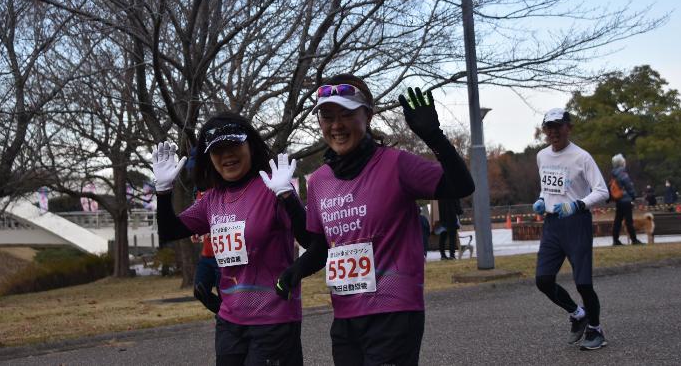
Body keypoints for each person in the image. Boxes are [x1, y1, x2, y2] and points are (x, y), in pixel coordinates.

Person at [274, 74, 475, 365]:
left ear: (367, 115)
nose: (336, 125)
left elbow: (461, 186)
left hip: (394, 311)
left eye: (347, 114)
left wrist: (435, 137)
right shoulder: (319, 180)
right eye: (327, 117)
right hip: (345, 317)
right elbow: (321, 247)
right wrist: (297, 270)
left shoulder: (396, 163)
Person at [152, 112, 310, 366]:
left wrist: (287, 197)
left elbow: (309, 239)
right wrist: (162, 192)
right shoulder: (212, 199)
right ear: (209, 158)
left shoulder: (273, 186)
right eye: (217, 151)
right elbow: (169, 231)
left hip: (273, 320)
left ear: (250, 145)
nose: (227, 156)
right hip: (230, 322)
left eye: (234, 145)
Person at [531, 108, 609, 351]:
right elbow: (548, 187)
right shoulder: (542, 156)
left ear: (569, 127)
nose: (553, 132)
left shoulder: (581, 157)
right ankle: (577, 314)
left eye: (558, 126)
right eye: (548, 127)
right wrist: (542, 200)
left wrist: (578, 204)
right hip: (553, 224)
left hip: (576, 222)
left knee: (583, 283)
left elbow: (602, 191)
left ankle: (596, 329)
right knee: (543, 280)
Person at [610, 154, 643, 246]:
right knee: (629, 221)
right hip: (626, 199)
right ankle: (634, 239)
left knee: (618, 220)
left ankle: (615, 240)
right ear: (622, 163)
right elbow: (629, 186)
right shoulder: (623, 174)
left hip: (618, 199)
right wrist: (633, 196)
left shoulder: (614, 174)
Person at [191, 233, 222, 314]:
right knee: (200, 291)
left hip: (224, 255)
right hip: (207, 256)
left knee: (224, 293)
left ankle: (227, 318)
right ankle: (225, 315)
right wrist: (197, 230)